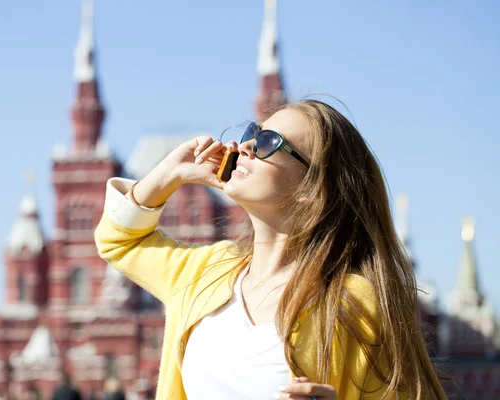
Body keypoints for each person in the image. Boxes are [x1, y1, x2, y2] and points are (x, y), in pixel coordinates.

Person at [95, 100, 447, 399]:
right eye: (251, 133)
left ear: (313, 187)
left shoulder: (353, 303)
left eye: (267, 142)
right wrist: (168, 174)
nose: (245, 146)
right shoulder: (207, 272)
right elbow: (119, 240)